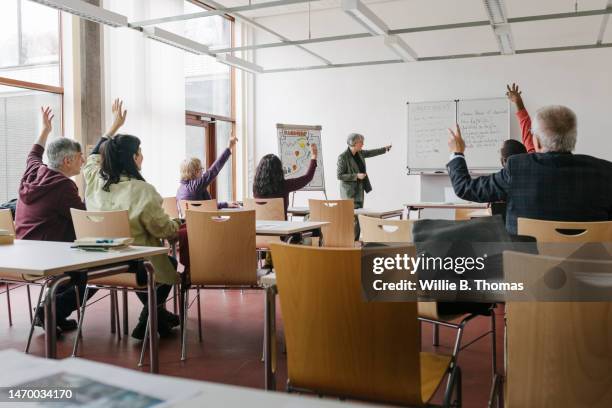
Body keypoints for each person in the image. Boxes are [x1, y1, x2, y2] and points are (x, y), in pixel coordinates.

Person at [83, 99, 181, 339]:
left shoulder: (95, 182)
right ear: (134, 158)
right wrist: (177, 223)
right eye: (140, 152)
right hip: (135, 266)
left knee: (151, 267)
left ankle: (158, 317)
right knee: (168, 265)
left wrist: (112, 127)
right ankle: (148, 317)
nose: (142, 156)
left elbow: (92, 157)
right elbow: (163, 231)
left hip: (98, 265)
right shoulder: (142, 190)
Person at [447, 105, 612, 235]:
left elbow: (465, 188)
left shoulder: (517, 168)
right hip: (592, 270)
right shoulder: (606, 171)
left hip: (526, 269)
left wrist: (457, 152)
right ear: (573, 139)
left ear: (537, 142)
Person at [15, 107, 89, 333]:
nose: (83, 160)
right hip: (49, 255)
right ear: (67, 161)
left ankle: (52, 313)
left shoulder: (34, 171)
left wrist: (45, 131)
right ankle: (51, 311)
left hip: (23, 251)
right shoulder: (64, 186)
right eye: (79, 157)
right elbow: (84, 221)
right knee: (91, 273)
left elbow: (33, 154)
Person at [337, 133, 391, 238]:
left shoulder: (360, 153)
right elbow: (339, 175)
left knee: (359, 217)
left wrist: (384, 149)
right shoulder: (343, 157)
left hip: (359, 189)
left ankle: (355, 240)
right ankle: (349, 240)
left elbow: (371, 152)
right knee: (351, 217)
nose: (363, 144)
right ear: (354, 143)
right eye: (361, 142)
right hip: (349, 192)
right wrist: (356, 176)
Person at [253, 143, 318, 218]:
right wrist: (314, 156)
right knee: (312, 224)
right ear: (278, 170)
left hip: (260, 228)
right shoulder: (284, 185)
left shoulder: (255, 187)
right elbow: (307, 177)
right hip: (282, 227)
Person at [177, 135, 239, 209]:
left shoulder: (180, 190)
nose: (203, 172)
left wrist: (225, 204)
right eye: (201, 169)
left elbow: (203, 206)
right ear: (196, 171)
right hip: (204, 220)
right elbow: (213, 170)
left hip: (191, 220)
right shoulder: (196, 186)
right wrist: (229, 147)